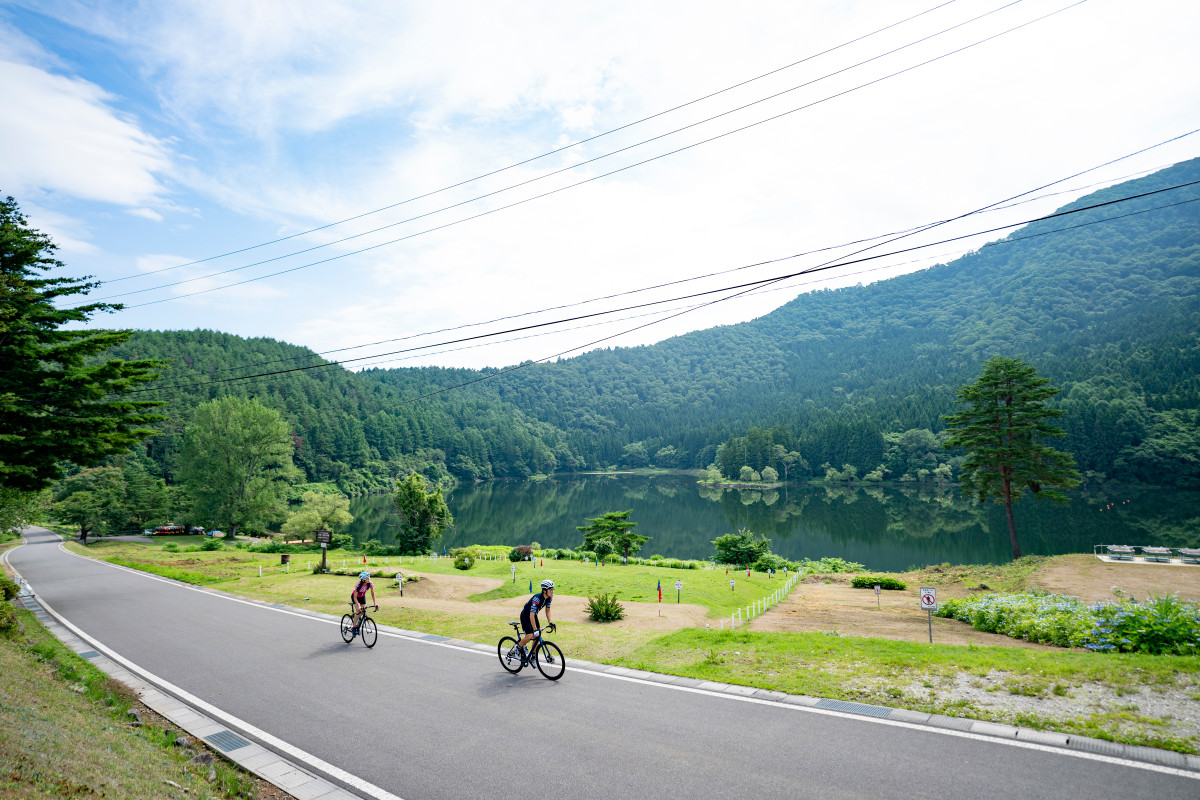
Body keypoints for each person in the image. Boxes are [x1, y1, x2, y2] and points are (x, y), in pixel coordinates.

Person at [516, 579, 556, 660]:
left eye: (553, 589)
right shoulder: (537, 599)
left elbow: (547, 610)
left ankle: (533, 656)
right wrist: (535, 629)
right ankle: (517, 648)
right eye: (550, 590)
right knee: (530, 635)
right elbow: (531, 615)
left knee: (538, 635)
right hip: (526, 615)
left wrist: (550, 622)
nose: (552, 591)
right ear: (544, 591)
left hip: (533, 615)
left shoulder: (549, 598)